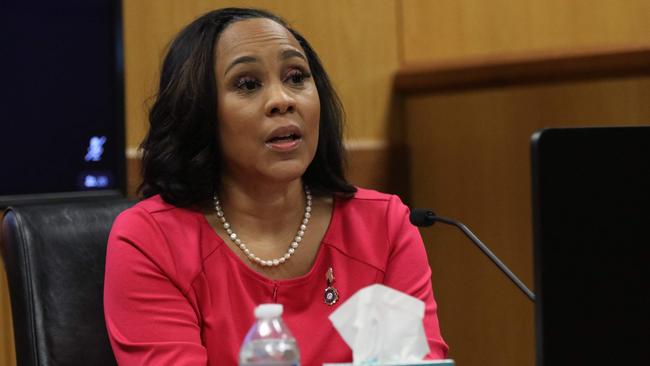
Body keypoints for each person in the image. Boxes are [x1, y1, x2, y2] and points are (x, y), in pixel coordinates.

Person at [104, 7, 448, 365]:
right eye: (248, 84)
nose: (283, 100)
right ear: (198, 110)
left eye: (296, 77)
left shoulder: (383, 226)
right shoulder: (151, 239)